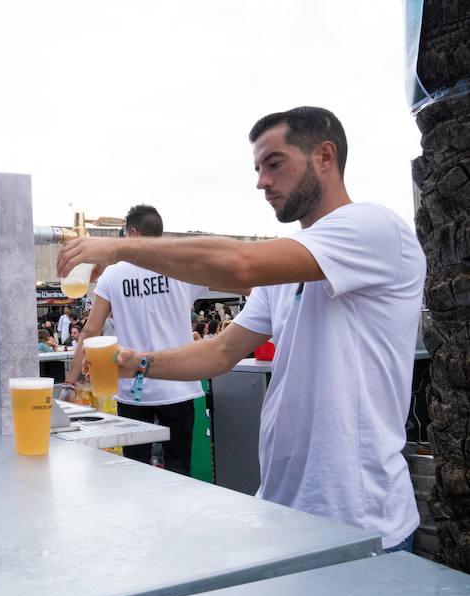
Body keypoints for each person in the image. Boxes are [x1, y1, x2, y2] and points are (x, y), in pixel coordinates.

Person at [56, 106, 425, 551]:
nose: (261, 182)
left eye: (274, 164)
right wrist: (139, 363)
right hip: (285, 508)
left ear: (325, 157)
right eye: (257, 169)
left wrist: (120, 250)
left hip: (361, 522)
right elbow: (223, 351)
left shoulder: (373, 227)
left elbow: (238, 263)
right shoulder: (291, 263)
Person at [62, 205, 244, 474]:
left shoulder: (113, 274)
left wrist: (70, 382)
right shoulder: (181, 267)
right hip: (179, 385)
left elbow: (91, 332)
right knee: (179, 469)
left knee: (135, 472)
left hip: (132, 389)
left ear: (132, 233)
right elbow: (239, 283)